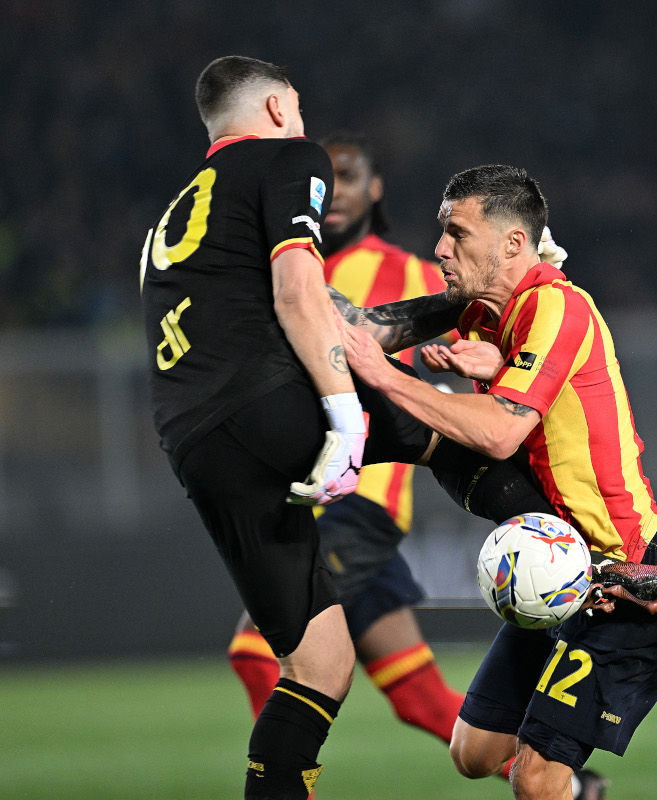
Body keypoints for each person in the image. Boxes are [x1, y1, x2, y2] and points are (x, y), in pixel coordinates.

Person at [141, 57, 555, 800]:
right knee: (448, 432)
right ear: (275, 110)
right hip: (272, 407)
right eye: (297, 109)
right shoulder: (287, 158)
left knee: (318, 664)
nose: (305, 127)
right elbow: (300, 293)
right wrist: (340, 416)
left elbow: (354, 325)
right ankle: (585, 563)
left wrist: (463, 303)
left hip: (198, 447)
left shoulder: (175, 220)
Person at [340, 164, 657, 800]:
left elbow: (500, 433)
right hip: (563, 570)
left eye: (457, 233)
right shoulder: (484, 314)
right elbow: (372, 329)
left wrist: (389, 377)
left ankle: (641, 661)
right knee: (473, 753)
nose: (440, 249)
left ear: (511, 243)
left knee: (537, 780)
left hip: (629, 568)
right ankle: (638, 674)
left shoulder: (557, 304)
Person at [225, 132, 467, 766]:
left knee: (257, 656)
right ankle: (570, 784)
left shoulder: (413, 273)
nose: (336, 193)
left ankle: (281, 781)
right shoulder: (292, 273)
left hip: (354, 503)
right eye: (325, 181)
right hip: (308, 491)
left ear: (375, 188)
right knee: (420, 697)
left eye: (351, 177)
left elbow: (464, 334)